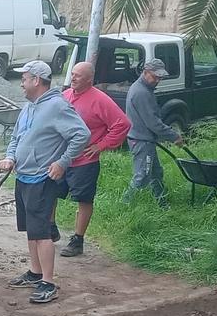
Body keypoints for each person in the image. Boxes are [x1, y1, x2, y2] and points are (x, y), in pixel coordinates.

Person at [0, 61, 89, 304]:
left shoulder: (57, 106)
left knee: (42, 233)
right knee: (31, 230)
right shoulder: (28, 108)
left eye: (25, 78)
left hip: (43, 178)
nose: (22, 83)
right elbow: (16, 137)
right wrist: (10, 157)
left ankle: (48, 283)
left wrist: (62, 162)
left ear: (37, 80)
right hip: (23, 175)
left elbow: (82, 134)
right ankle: (35, 272)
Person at [57, 61, 130, 257]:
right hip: (62, 159)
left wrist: (101, 145)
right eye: (72, 74)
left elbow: (122, 123)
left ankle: (77, 240)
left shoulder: (100, 100)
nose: (73, 78)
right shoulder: (65, 96)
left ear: (89, 79)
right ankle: (49, 229)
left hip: (85, 161)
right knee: (50, 192)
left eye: (78, 75)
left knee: (83, 199)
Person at [124, 58, 184, 208]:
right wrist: (174, 136)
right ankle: (124, 205)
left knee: (156, 173)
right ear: (145, 72)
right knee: (142, 176)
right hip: (141, 141)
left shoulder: (144, 89)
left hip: (145, 139)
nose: (158, 80)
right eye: (155, 76)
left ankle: (162, 203)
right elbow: (153, 123)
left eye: (160, 77)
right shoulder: (141, 93)